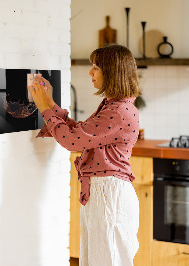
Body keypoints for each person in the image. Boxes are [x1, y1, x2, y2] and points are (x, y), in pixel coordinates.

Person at [29, 44, 141, 266]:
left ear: (112, 72)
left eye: (96, 67)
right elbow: (80, 133)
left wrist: (44, 107)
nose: (90, 72)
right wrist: (50, 103)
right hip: (104, 193)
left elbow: (72, 141)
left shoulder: (118, 111)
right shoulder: (114, 106)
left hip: (109, 195)